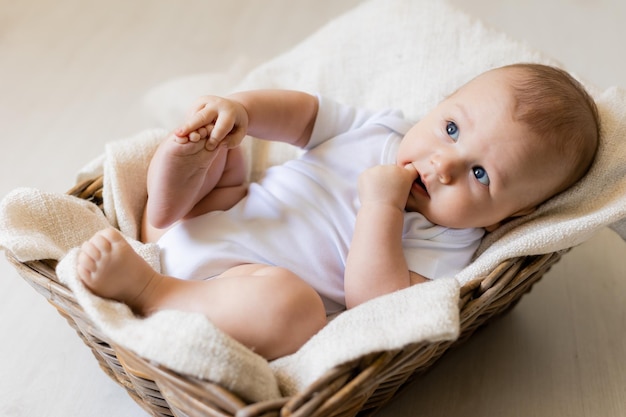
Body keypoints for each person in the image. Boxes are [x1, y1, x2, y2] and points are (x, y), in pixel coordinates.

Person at [76, 63, 599, 360]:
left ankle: (149, 291)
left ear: (506, 218)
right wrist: (243, 110)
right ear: (439, 105)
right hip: (212, 215)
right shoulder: (383, 129)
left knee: (293, 311)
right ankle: (163, 214)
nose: (442, 165)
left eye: (481, 176)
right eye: (451, 129)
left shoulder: (451, 244)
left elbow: (377, 305)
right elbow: (305, 115)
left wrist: (381, 205)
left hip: (227, 289)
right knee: (226, 153)